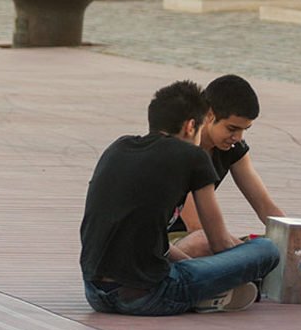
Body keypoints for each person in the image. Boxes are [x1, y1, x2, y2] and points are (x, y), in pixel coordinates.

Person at [79, 80, 281, 316]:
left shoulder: (118, 147)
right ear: (190, 126)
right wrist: (224, 272)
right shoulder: (192, 156)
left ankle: (209, 292)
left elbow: (154, 242)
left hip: (95, 294)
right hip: (151, 296)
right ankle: (209, 292)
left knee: (193, 265)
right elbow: (219, 243)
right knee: (266, 249)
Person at [169, 76, 287, 257]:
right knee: (203, 241)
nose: (238, 137)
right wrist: (258, 255)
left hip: (211, 239)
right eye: (232, 129)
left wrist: (290, 237)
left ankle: (280, 267)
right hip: (170, 241)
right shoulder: (182, 146)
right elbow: (197, 227)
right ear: (209, 115)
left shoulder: (232, 148)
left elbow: (265, 206)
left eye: (244, 130)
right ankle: (269, 268)